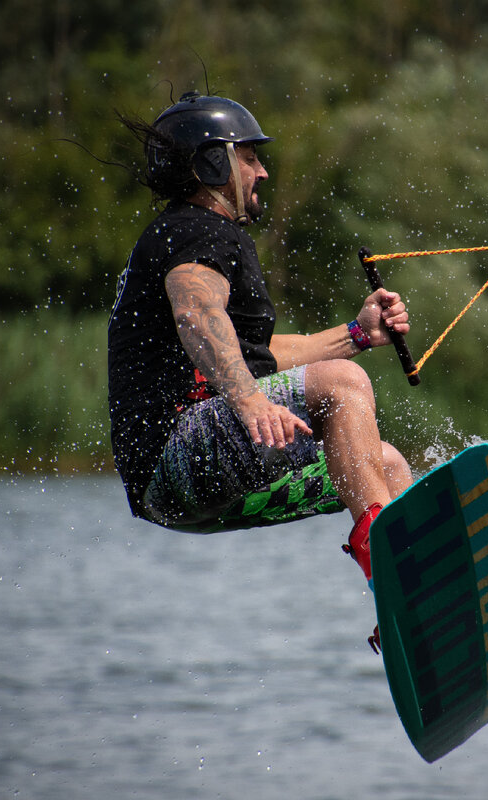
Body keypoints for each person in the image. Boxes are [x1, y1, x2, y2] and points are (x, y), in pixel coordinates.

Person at [108, 91, 413, 588]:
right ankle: (387, 562)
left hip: (171, 495)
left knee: (384, 463)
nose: (263, 171)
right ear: (213, 164)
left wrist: (356, 334)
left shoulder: (182, 234)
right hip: (178, 456)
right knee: (345, 384)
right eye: (249, 157)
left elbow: (249, 356)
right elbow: (196, 313)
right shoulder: (196, 231)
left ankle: (407, 598)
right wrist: (250, 401)